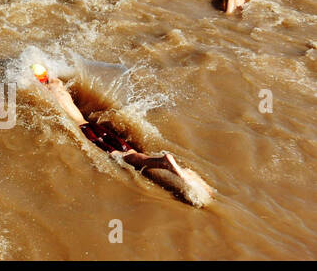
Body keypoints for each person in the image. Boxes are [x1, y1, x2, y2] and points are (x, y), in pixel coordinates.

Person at [30, 64, 212, 205]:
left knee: (126, 157)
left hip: (87, 131)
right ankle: (189, 176)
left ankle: (162, 162)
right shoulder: (57, 84)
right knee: (128, 153)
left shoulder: (50, 90)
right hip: (94, 127)